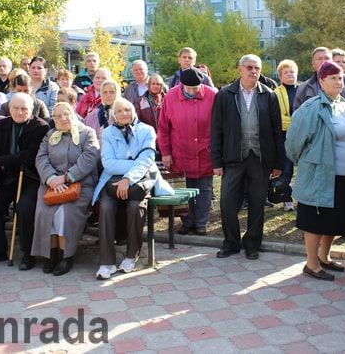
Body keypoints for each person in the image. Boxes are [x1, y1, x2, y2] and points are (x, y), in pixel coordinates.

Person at [285, 61, 345, 281]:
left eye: (340, 78)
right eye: (333, 78)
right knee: (315, 219)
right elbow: (292, 143)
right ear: (321, 81)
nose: (339, 82)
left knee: (333, 219)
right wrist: (310, 163)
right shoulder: (311, 108)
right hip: (320, 174)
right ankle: (311, 263)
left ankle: (324, 257)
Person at [210, 54, 284, 260]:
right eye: (249, 67)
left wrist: (278, 163)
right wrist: (216, 161)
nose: (253, 72)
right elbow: (216, 129)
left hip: (260, 159)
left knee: (257, 202)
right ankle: (231, 243)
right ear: (240, 69)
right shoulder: (225, 94)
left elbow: (277, 131)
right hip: (233, 158)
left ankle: (252, 244)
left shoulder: (268, 95)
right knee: (226, 202)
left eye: (257, 68)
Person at [93, 98, 173, 279]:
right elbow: (109, 163)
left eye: (127, 109)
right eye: (119, 111)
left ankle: (131, 255)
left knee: (135, 207)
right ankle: (107, 262)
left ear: (133, 111)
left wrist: (128, 178)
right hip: (113, 180)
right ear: (114, 115)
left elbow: (147, 160)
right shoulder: (108, 133)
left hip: (141, 179)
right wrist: (128, 170)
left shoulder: (146, 130)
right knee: (106, 207)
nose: (124, 114)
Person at [0, 93, 49, 269]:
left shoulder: (40, 127)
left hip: (30, 177)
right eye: (16, 108)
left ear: (32, 110)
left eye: (24, 109)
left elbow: (28, 156)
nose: (20, 112)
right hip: (5, 178)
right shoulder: (1, 126)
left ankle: (28, 255)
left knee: (24, 208)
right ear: (9, 108)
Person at [32, 102, 100, 276]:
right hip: (52, 185)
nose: (63, 118)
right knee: (45, 211)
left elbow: (89, 158)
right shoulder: (50, 135)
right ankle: (50, 254)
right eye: (57, 116)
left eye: (66, 114)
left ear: (73, 114)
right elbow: (41, 158)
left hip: (79, 184)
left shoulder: (87, 133)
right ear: (53, 119)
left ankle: (66, 255)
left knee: (64, 213)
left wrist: (67, 177)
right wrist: (51, 178)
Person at [158, 68, 217, 236]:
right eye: (188, 88)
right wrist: (166, 152)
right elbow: (163, 128)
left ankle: (201, 222)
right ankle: (187, 221)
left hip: (206, 151)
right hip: (180, 150)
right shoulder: (170, 96)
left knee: (205, 188)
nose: (192, 91)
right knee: (184, 187)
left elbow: (221, 126)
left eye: (196, 88)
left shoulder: (212, 95)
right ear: (182, 84)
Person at [293, 46, 345, 110]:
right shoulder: (304, 88)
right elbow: (298, 115)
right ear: (313, 64)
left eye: (327, 58)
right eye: (319, 59)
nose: (323, 61)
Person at [273, 59, 299, 212]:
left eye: (292, 71)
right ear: (280, 76)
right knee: (286, 168)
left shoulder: (303, 90)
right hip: (284, 135)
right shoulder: (276, 93)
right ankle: (286, 198)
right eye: (286, 72)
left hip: (302, 133)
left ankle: (302, 199)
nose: (289, 74)